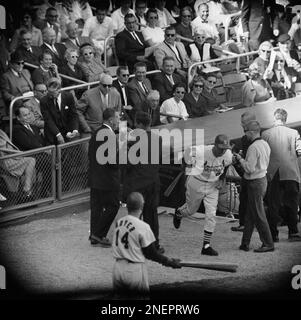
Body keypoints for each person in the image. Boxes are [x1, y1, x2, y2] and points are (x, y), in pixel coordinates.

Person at [173, 134, 233, 256]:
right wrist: (186, 170)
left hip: (213, 186)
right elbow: (184, 155)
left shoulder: (227, 154)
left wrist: (222, 178)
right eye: (221, 148)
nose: (223, 151)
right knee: (190, 211)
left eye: (225, 148)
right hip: (196, 182)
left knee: (211, 214)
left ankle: (206, 246)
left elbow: (226, 165)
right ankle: (179, 213)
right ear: (215, 145)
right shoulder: (200, 150)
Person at [112, 192, 181, 295]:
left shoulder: (118, 222)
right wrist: (168, 261)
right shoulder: (143, 226)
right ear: (142, 206)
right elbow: (150, 253)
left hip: (117, 268)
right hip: (133, 270)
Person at [123, 112, 165, 253]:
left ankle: (131, 243)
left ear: (139, 124)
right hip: (153, 181)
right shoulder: (157, 139)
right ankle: (154, 245)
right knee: (151, 214)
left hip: (138, 183)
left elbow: (129, 163)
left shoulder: (135, 141)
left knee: (134, 215)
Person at [232, 120, 274, 253]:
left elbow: (249, 168)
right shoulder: (265, 144)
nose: (244, 134)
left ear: (251, 132)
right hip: (261, 180)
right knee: (251, 213)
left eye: (245, 131)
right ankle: (245, 243)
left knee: (258, 214)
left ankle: (268, 243)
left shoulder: (253, 147)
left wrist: (240, 159)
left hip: (254, 182)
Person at [262, 109, 301, 242]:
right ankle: (293, 232)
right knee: (292, 203)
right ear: (285, 119)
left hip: (272, 173)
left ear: (274, 118)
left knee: (273, 205)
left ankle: (273, 235)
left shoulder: (265, 134)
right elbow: (300, 151)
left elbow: (263, 153)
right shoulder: (294, 132)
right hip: (290, 172)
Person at [88, 108, 121, 247]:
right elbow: (113, 161)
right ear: (111, 119)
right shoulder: (109, 135)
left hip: (95, 177)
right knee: (113, 206)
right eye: (118, 117)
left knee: (97, 207)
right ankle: (98, 234)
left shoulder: (96, 132)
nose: (119, 120)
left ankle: (94, 235)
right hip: (108, 179)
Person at [230, 111, 256, 232]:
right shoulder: (244, 139)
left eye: (244, 122)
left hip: (255, 174)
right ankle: (243, 224)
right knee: (245, 199)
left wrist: (240, 158)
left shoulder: (254, 139)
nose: (241, 125)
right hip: (248, 173)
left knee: (254, 202)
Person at [40, 77, 79, 145]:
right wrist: (58, 135)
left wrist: (74, 130)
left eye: (52, 92)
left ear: (59, 90)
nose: (50, 95)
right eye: (49, 92)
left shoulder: (68, 96)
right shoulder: (44, 101)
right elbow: (48, 120)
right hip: (52, 134)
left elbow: (73, 114)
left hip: (67, 132)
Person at [0, 128, 36, 198]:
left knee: (32, 162)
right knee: (31, 160)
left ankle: (27, 188)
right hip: (5, 160)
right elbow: (3, 146)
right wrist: (17, 152)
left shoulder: (1, 131)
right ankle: (27, 188)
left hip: (11, 156)